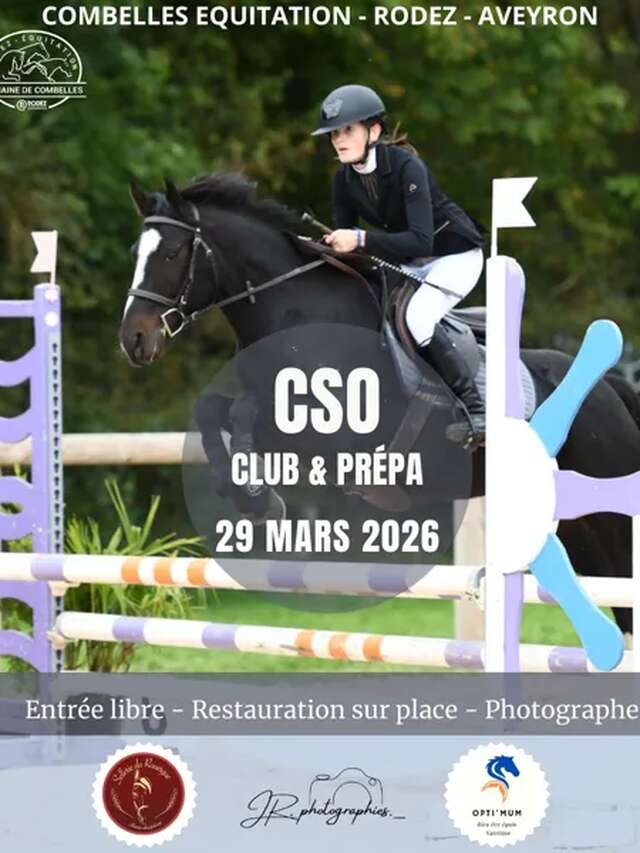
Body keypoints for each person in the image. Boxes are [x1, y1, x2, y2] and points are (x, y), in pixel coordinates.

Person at [311, 83, 486, 448]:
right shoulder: (343, 180)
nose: (338, 141)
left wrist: (358, 240)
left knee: (417, 318)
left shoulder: (408, 167)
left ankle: (475, 409)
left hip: (455, 256)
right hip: (413, 263)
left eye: (347, 131)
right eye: (333, 134)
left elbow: (420, 239)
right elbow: (348, 242)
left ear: (373, 131)